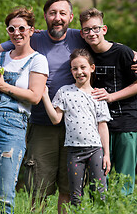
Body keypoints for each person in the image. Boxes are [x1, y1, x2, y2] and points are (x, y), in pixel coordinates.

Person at [0, 0, 137, 213]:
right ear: (45, 16)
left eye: (62, 13)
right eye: (52, 13)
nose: (57, 18)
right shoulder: (34, 38)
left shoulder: (79, 36)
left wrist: (134, 54)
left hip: (75, 128)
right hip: (42, 123)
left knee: (70, 187)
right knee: (39, 185)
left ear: (71, 17)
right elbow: (5, 44)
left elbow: (104, 41)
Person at [0, 6, 49, 213]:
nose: (17, 33)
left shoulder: (38, 60)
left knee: (5, 195)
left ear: (31, 30)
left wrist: (2, 87)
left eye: (22, 28)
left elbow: (35, 96)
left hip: (13, 127)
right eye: (11, 29)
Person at [79, 7, 137, 195]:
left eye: (96, 28)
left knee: (124, 182)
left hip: (126, 123)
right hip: (98, 127)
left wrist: (111, 97)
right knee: (98, 181)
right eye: (87, 30)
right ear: (82, 34)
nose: (92, 33)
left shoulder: (123, 52)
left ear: (104, 29)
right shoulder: (85, 55)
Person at [42, 48, 111, 206]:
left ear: (91, 68)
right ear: (71, 71)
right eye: (75, 68)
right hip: (74, 151)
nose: (79, 72)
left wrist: (106, 154)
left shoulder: (98, 95)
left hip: (95, 149)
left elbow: (103, 126)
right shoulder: (65, 92)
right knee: (75, 196)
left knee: (100, 193)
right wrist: (45, 97)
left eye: (83, 67)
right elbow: (55, 119)